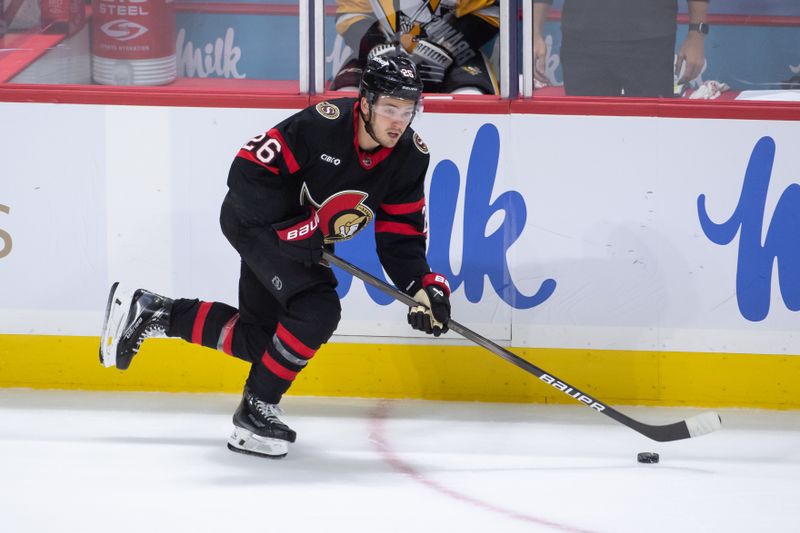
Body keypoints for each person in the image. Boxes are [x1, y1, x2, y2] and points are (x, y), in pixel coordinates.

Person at [98, 54, 452, 460]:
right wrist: (291, 230)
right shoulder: (322, 124)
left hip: (301, 237)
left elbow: (400, 235)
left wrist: (421, 286)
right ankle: (256, 407)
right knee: (317, 310)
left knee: (265, 341)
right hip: (255, 222)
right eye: (390, 108)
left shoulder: (410, 156)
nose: (399, 121)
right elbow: (245, 172)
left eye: (408, 111)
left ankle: (155, 312)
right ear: (366, 102)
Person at [533, 0, 709, 97]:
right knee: (588, 139)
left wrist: (696, 33)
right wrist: (534, 32)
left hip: (651, 44)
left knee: (649, 141)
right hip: (583, 44)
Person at [331, 0, 499, 95]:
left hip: (455, 54)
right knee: (347, 93)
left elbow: (490, 12)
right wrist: (377, 48)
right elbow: (351, 14)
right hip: (382, 51)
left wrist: (444, 48)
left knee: (470, 94)